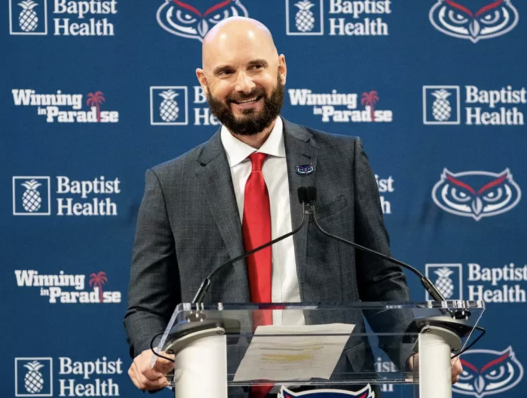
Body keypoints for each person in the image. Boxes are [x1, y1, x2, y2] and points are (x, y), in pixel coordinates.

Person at [124, 17, 462, 397]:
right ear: (204, 81)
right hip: (220, 387)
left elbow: (380, 279)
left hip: (335, 388)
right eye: (226, 71)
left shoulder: (342, 159)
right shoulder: (170, 183)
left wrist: (414, 351)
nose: (245, 84)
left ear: (280, 68)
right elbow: (147, 307)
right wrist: (151, 350)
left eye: (256, 66)